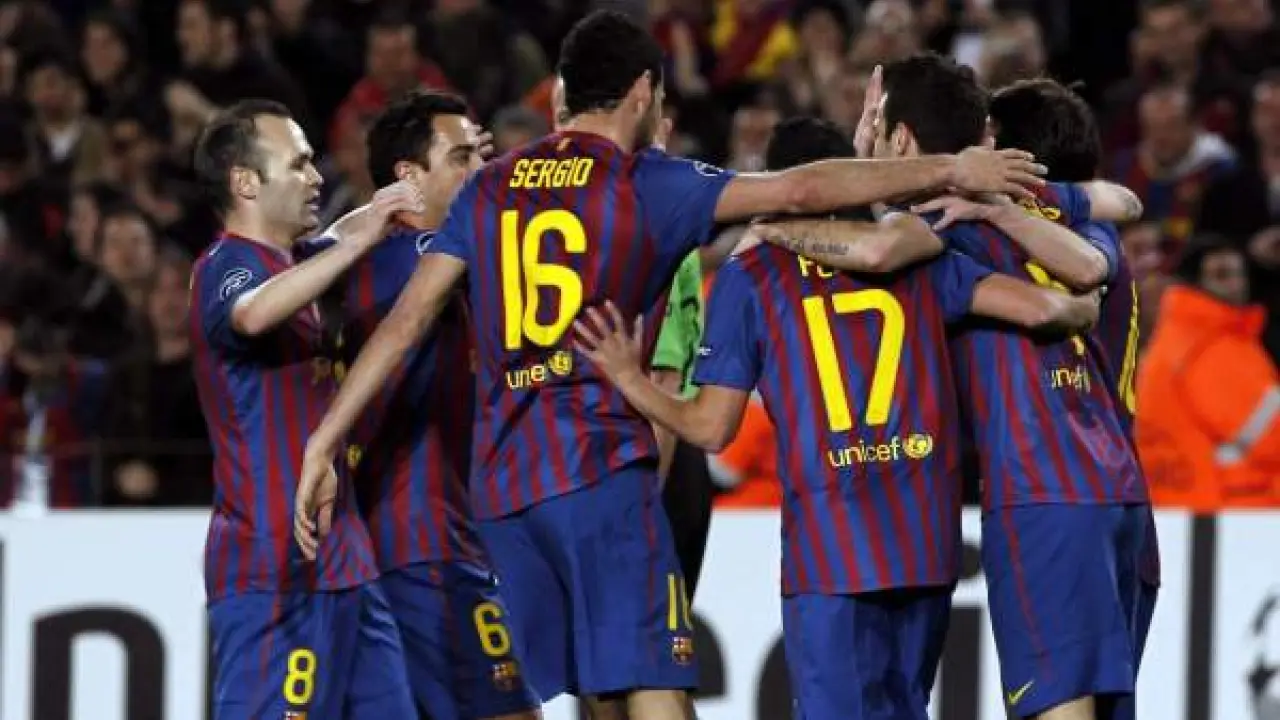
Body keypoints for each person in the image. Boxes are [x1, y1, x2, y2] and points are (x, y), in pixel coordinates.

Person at [294, 11, 1045, 719]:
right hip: (597, 468)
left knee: (595, 692)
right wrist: (953, 168)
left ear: (564, 92)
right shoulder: (645, 182)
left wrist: (325, 441)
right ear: (644, 91)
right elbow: (800, 189)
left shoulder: (489, 186)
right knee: (655, 682)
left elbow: (405, 323)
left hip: (505, 493)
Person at [570, 114, 1102, 720]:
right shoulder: (918, 256)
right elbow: (1041, 311)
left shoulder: (751, 277)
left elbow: (709, 430)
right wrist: (1084, 306)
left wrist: (629, 378)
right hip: (926, 543)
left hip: (833, 549)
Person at [869, 55, 1150, 720]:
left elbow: (877, 245)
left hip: (1041, 490)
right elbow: (1123, 205)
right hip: (1121, 493)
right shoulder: (1090, 225)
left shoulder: (958, 233)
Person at [188, 99, 422, 719]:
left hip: (347, 562)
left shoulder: (295, 260)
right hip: (272, 566)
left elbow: (340, 235)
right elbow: (253, 314)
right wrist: (360, 239)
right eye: (298, 164)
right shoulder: (224, 266)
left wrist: (392, 205)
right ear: (245, 182)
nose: (317, 177)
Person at [321, 89, 542, 720]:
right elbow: (534, 233)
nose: (480, 171)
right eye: (461, 158)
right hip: (425, 541)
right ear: (408, 178)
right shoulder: (416, 258)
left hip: (415, 536)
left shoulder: (382, 261)